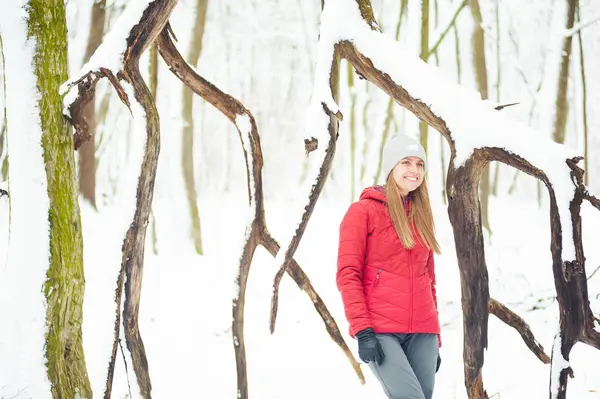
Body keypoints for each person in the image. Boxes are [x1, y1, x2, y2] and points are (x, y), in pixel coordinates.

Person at [336, 133, 442, 399]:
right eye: (406, 162)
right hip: (380, 329)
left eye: (419, 164)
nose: (414, 170)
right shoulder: (363, 212)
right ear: (391, 167)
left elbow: (429, 280)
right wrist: (362, 330)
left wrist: (435, 337)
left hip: (423, 332)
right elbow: (348, 274)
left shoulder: (422, 215)